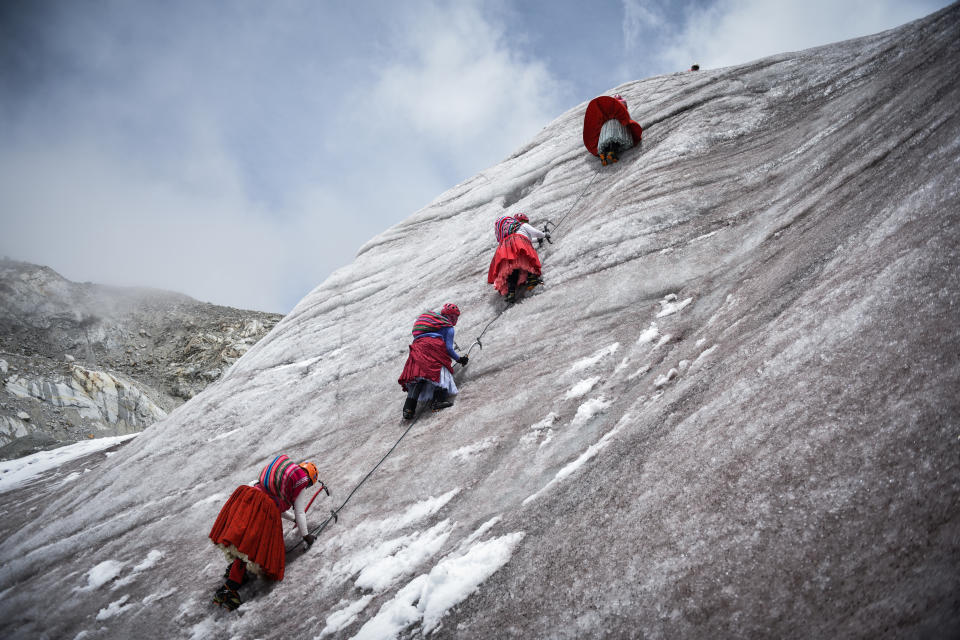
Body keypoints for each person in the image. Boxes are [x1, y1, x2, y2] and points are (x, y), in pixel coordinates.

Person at [208, 454, 320, 610]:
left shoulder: (284, 476)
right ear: (309, 481)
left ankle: (234, 571)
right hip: (262, 509)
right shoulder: (301, 482)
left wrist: (293, 519)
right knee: (250, 548)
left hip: (249, 496)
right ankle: (229, 589)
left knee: (242, 541)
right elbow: (299, 512)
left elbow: (275, 502)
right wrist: (306, 536)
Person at [398, 303, 467, 419]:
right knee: (440, 373)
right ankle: (438, 401)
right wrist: (459, 359)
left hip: (418, 348)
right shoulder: (448, 327)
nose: (455, 320)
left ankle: (408, 409)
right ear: (450, 317)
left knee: (417, 376)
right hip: (434, 348)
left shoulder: (432, 322)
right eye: (454, 317)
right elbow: (449, 349)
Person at [487, 213, 548, 303]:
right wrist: (545, 234)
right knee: (527, 260)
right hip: (520, 242)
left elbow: (528, 238)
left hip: (505, 249)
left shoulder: (509, 233)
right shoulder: (522, 225)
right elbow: (535, 233)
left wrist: (537, 240)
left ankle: (511, 291)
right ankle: (532, 279)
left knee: (512, 269)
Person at [582, 93, 643, 166]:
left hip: (606, 125)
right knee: (616, 138)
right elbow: (624, 111)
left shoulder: (610, 106)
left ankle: (603, 155)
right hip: (617, 123)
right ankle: (612, 153)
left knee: (606, 139)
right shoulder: (620, 105)